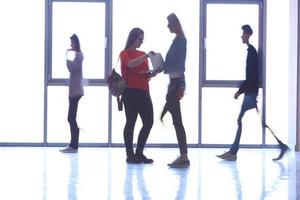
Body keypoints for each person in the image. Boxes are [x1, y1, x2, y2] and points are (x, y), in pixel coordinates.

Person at [217, 25, 259, 161]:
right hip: (251, 92)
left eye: (243, 34)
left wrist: (239, 92)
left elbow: (251, 76)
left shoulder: (252, 52)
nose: (242, 36)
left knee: (241, 120)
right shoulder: (251, 51)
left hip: (250, 93)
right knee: (256, 121)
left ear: (248, 34)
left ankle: (233, 152)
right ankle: (233, 151)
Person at [120, 27, 156, 164]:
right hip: (130, 92)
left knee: (148, 121)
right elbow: (130, 65)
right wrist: (146, 56)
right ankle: (130, 154)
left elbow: (145, 73)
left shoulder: (141, 54)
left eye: (142, 39)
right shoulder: (125, 53)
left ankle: (139, 152)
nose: (141, 41)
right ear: (133, 38)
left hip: (144, 91)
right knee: (131, 122)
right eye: (139, 38)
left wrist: (153, 72)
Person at [159, 13, 190, 168]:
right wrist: (157, 62)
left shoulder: (181, 41)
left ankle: (184, 157)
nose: (167, 26)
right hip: (173, 83)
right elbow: (170, 64)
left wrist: (181, 85)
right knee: (176, 120)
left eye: (168, 23)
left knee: (177, 121)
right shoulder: (177, 40)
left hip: (176, 82)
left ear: (174, 24)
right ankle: (183, 156)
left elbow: (180, 63)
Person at [60, 34, 84, 153]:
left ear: (76, 43)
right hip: (74, 91)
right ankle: (73, 145)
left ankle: (74, 146)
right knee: (71, 118)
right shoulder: (78, 55)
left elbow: (71, 68)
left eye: (72, 43)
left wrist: (67, 56)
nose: (70, 45)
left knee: (71, 118)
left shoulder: (78, 55)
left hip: (76, 91)